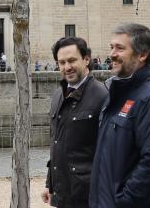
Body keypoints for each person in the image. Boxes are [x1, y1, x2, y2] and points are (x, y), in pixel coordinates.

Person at [89, 23, 150, 208]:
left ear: (142, 54)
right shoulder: (116, 95)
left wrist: (124, 201)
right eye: (112, 47)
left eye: (120, 48)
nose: (112, 54)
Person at [42, 37, 108, 208]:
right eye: (61, 62)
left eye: (72, 60)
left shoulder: (102, 95)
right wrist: (50, 184)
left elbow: (110, 150)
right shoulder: (58, 95)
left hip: (89, 195)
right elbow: (56, 144)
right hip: (63, 193)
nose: (67, 67)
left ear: (86, 59)